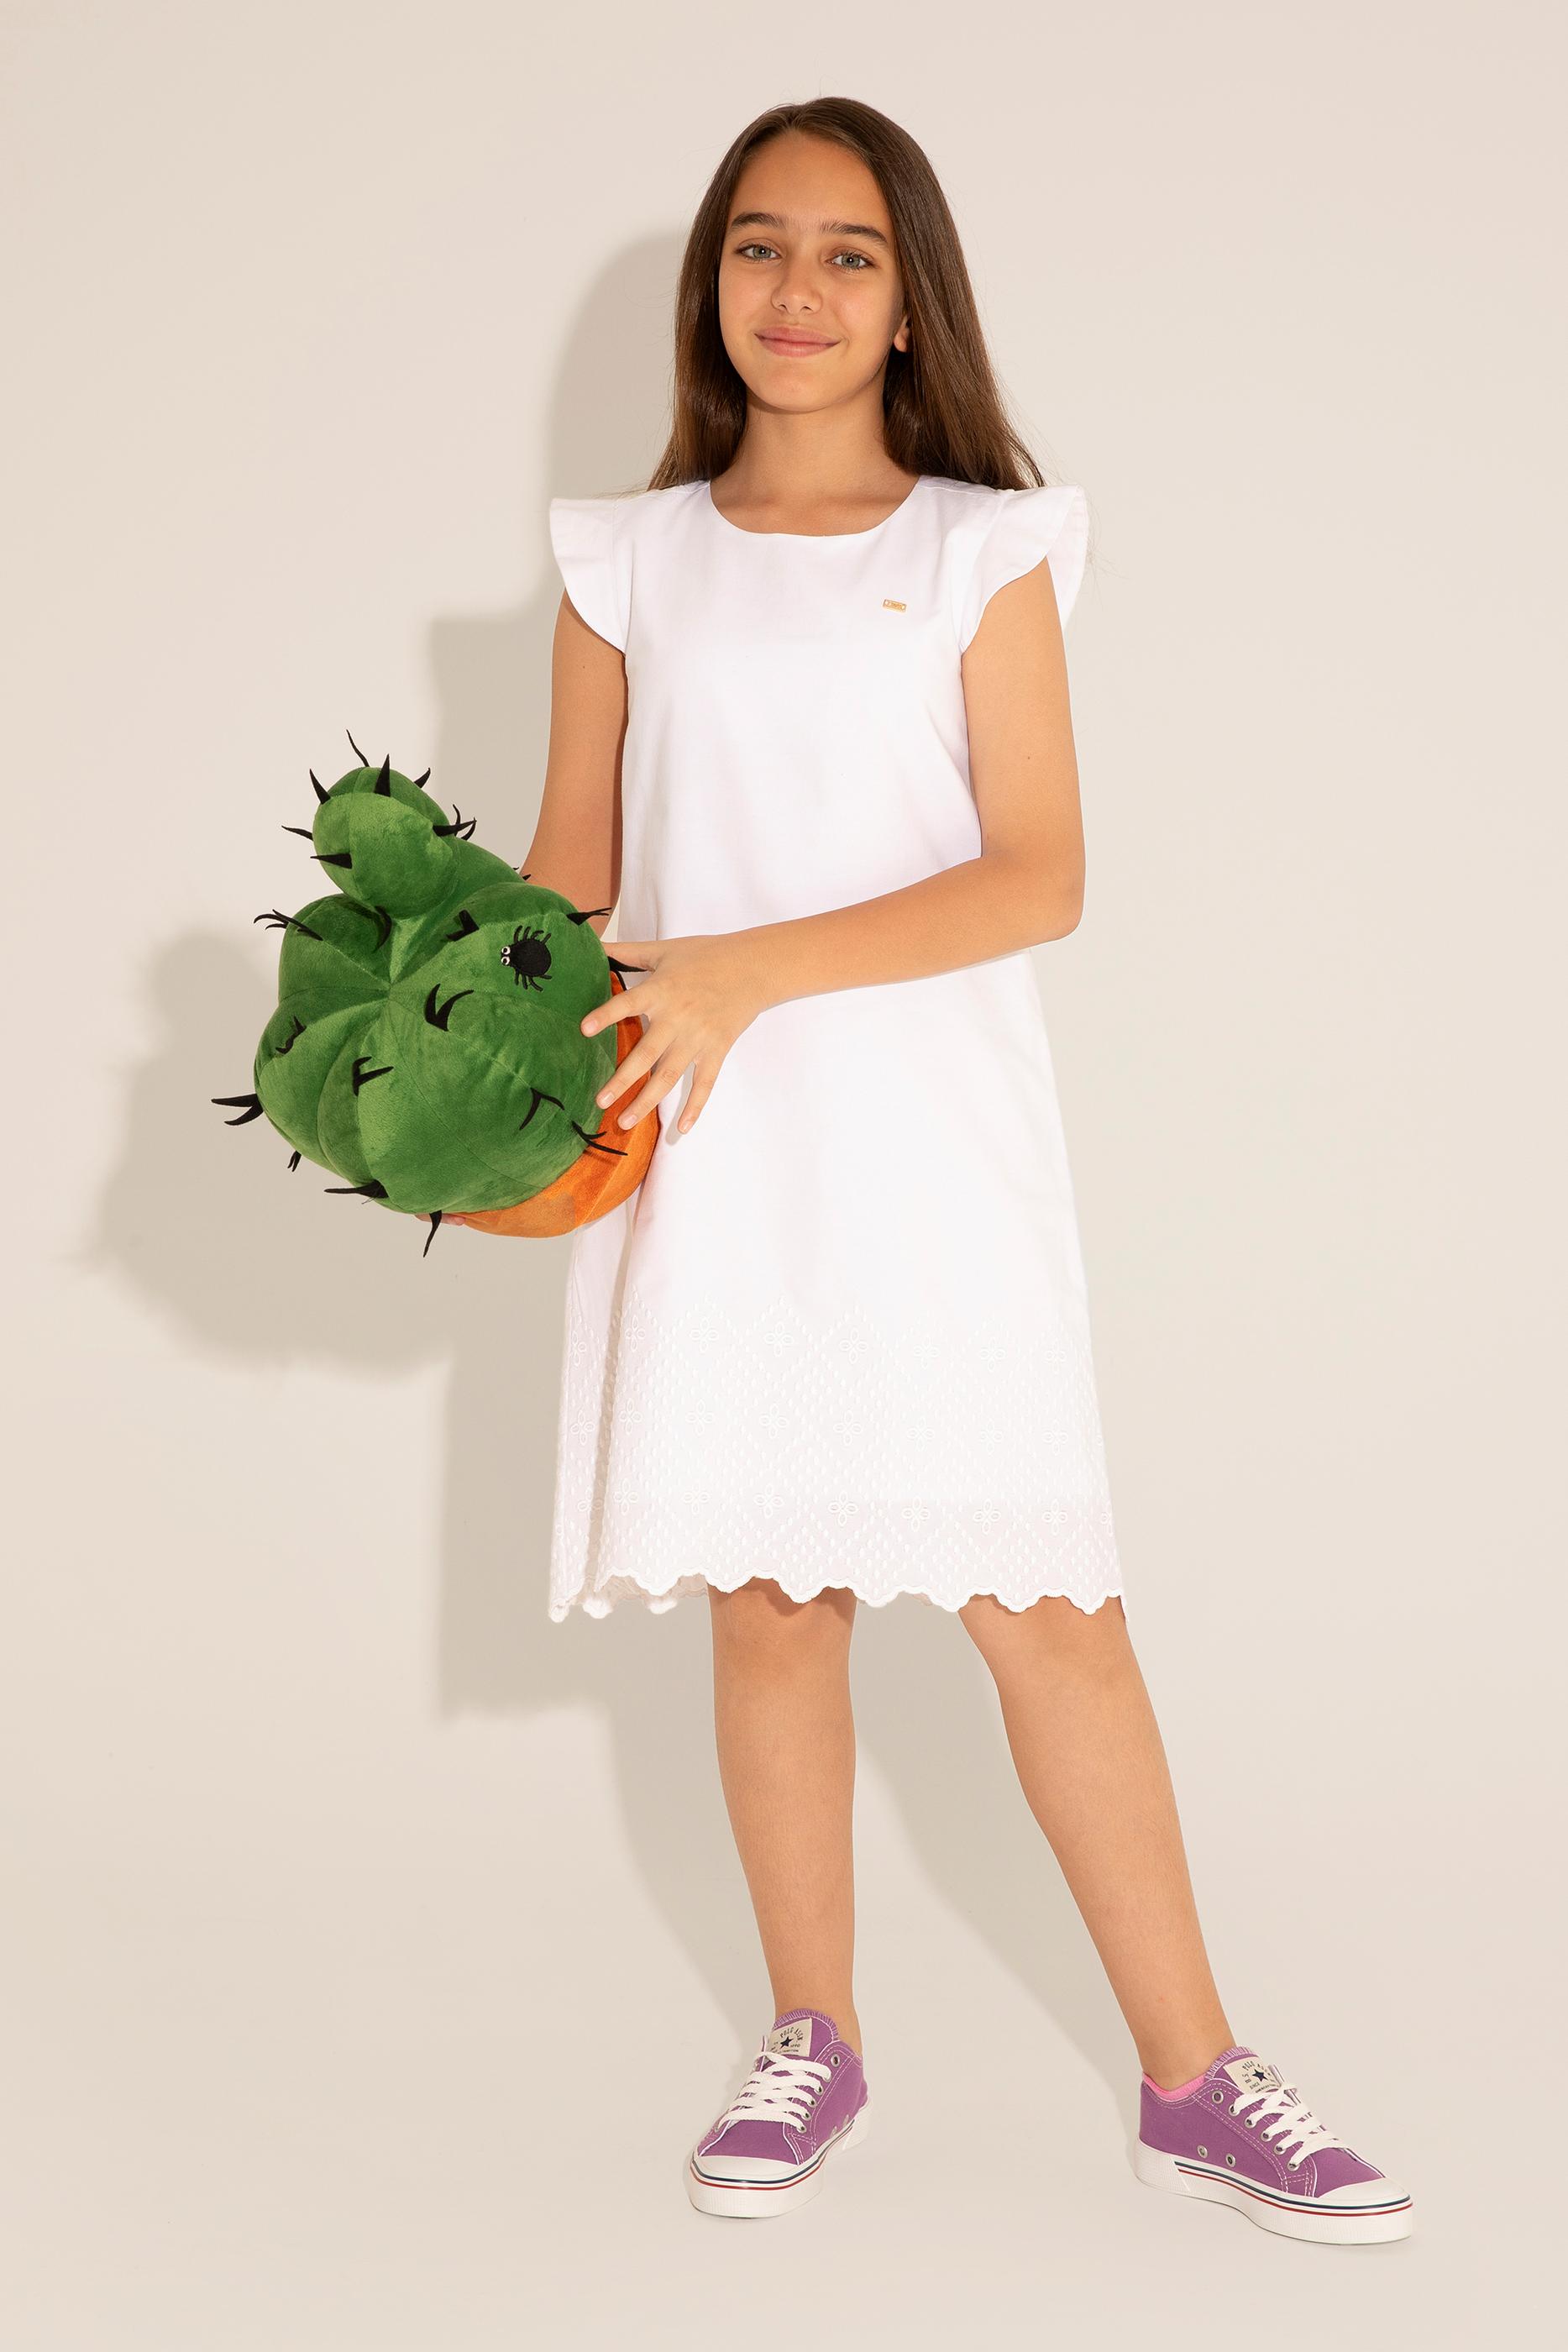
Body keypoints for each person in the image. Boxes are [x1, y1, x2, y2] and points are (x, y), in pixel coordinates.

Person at [463, 97, 1413, 2244]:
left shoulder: (986, 546)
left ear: (911, 305)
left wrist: (740, 969)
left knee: (1049, 1610)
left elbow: (1037, 873)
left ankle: (1193, 2074)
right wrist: (439, 1058)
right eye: (757, 245)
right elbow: (567, 878)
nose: (794, 290)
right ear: (710, 282)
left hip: (931, 1152)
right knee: (767, 1599)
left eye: (848, 253)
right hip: (711, 1150)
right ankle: (814, 2030)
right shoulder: (627, 563)